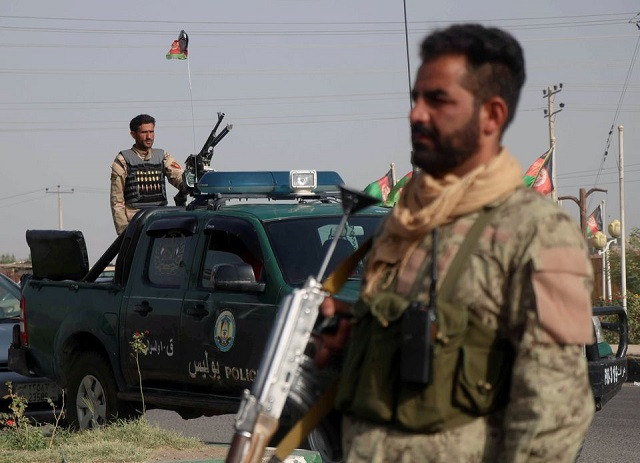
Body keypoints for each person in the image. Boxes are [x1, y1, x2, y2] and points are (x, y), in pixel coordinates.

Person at [317, 24, 595, 462]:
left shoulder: (538, 233)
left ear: (492, 116)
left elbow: (556, 411)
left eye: (438, 100)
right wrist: (358, 333)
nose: (416, 115)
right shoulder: (406, 222)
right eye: (416, 99)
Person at [110, 114, 186, 234]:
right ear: (133, 134)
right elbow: (117, 200)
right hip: (135, 222)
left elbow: (178, 176)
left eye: (151, 132)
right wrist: (124, 232)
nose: (149, 137)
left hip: (160, 219)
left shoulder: (162, 156)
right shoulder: (123, 160)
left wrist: (189, 183)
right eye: (144, 132)